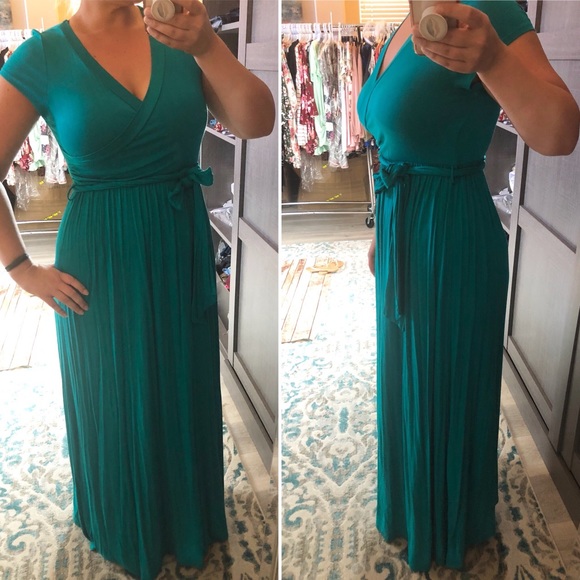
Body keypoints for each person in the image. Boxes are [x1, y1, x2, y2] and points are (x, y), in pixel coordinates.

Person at [0, 1, 274, 578]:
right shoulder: (41, 56)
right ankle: (125, 521)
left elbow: (257, 121)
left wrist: (206, 45)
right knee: (115, 398)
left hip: (178, 248)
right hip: (97, 262)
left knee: (180, 383)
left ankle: (184, 519)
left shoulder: (182, 34)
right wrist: (21, 268)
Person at [357, 0, 579, 572]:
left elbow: (559, 131)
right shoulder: (406, 19)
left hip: (448, 235)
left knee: (443, 385)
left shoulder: (489, 9)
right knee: (407, 380)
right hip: (403, 222)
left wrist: (494, 60)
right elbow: (394, 140)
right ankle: (412, 505)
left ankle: (448, 523)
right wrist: (383, 230)